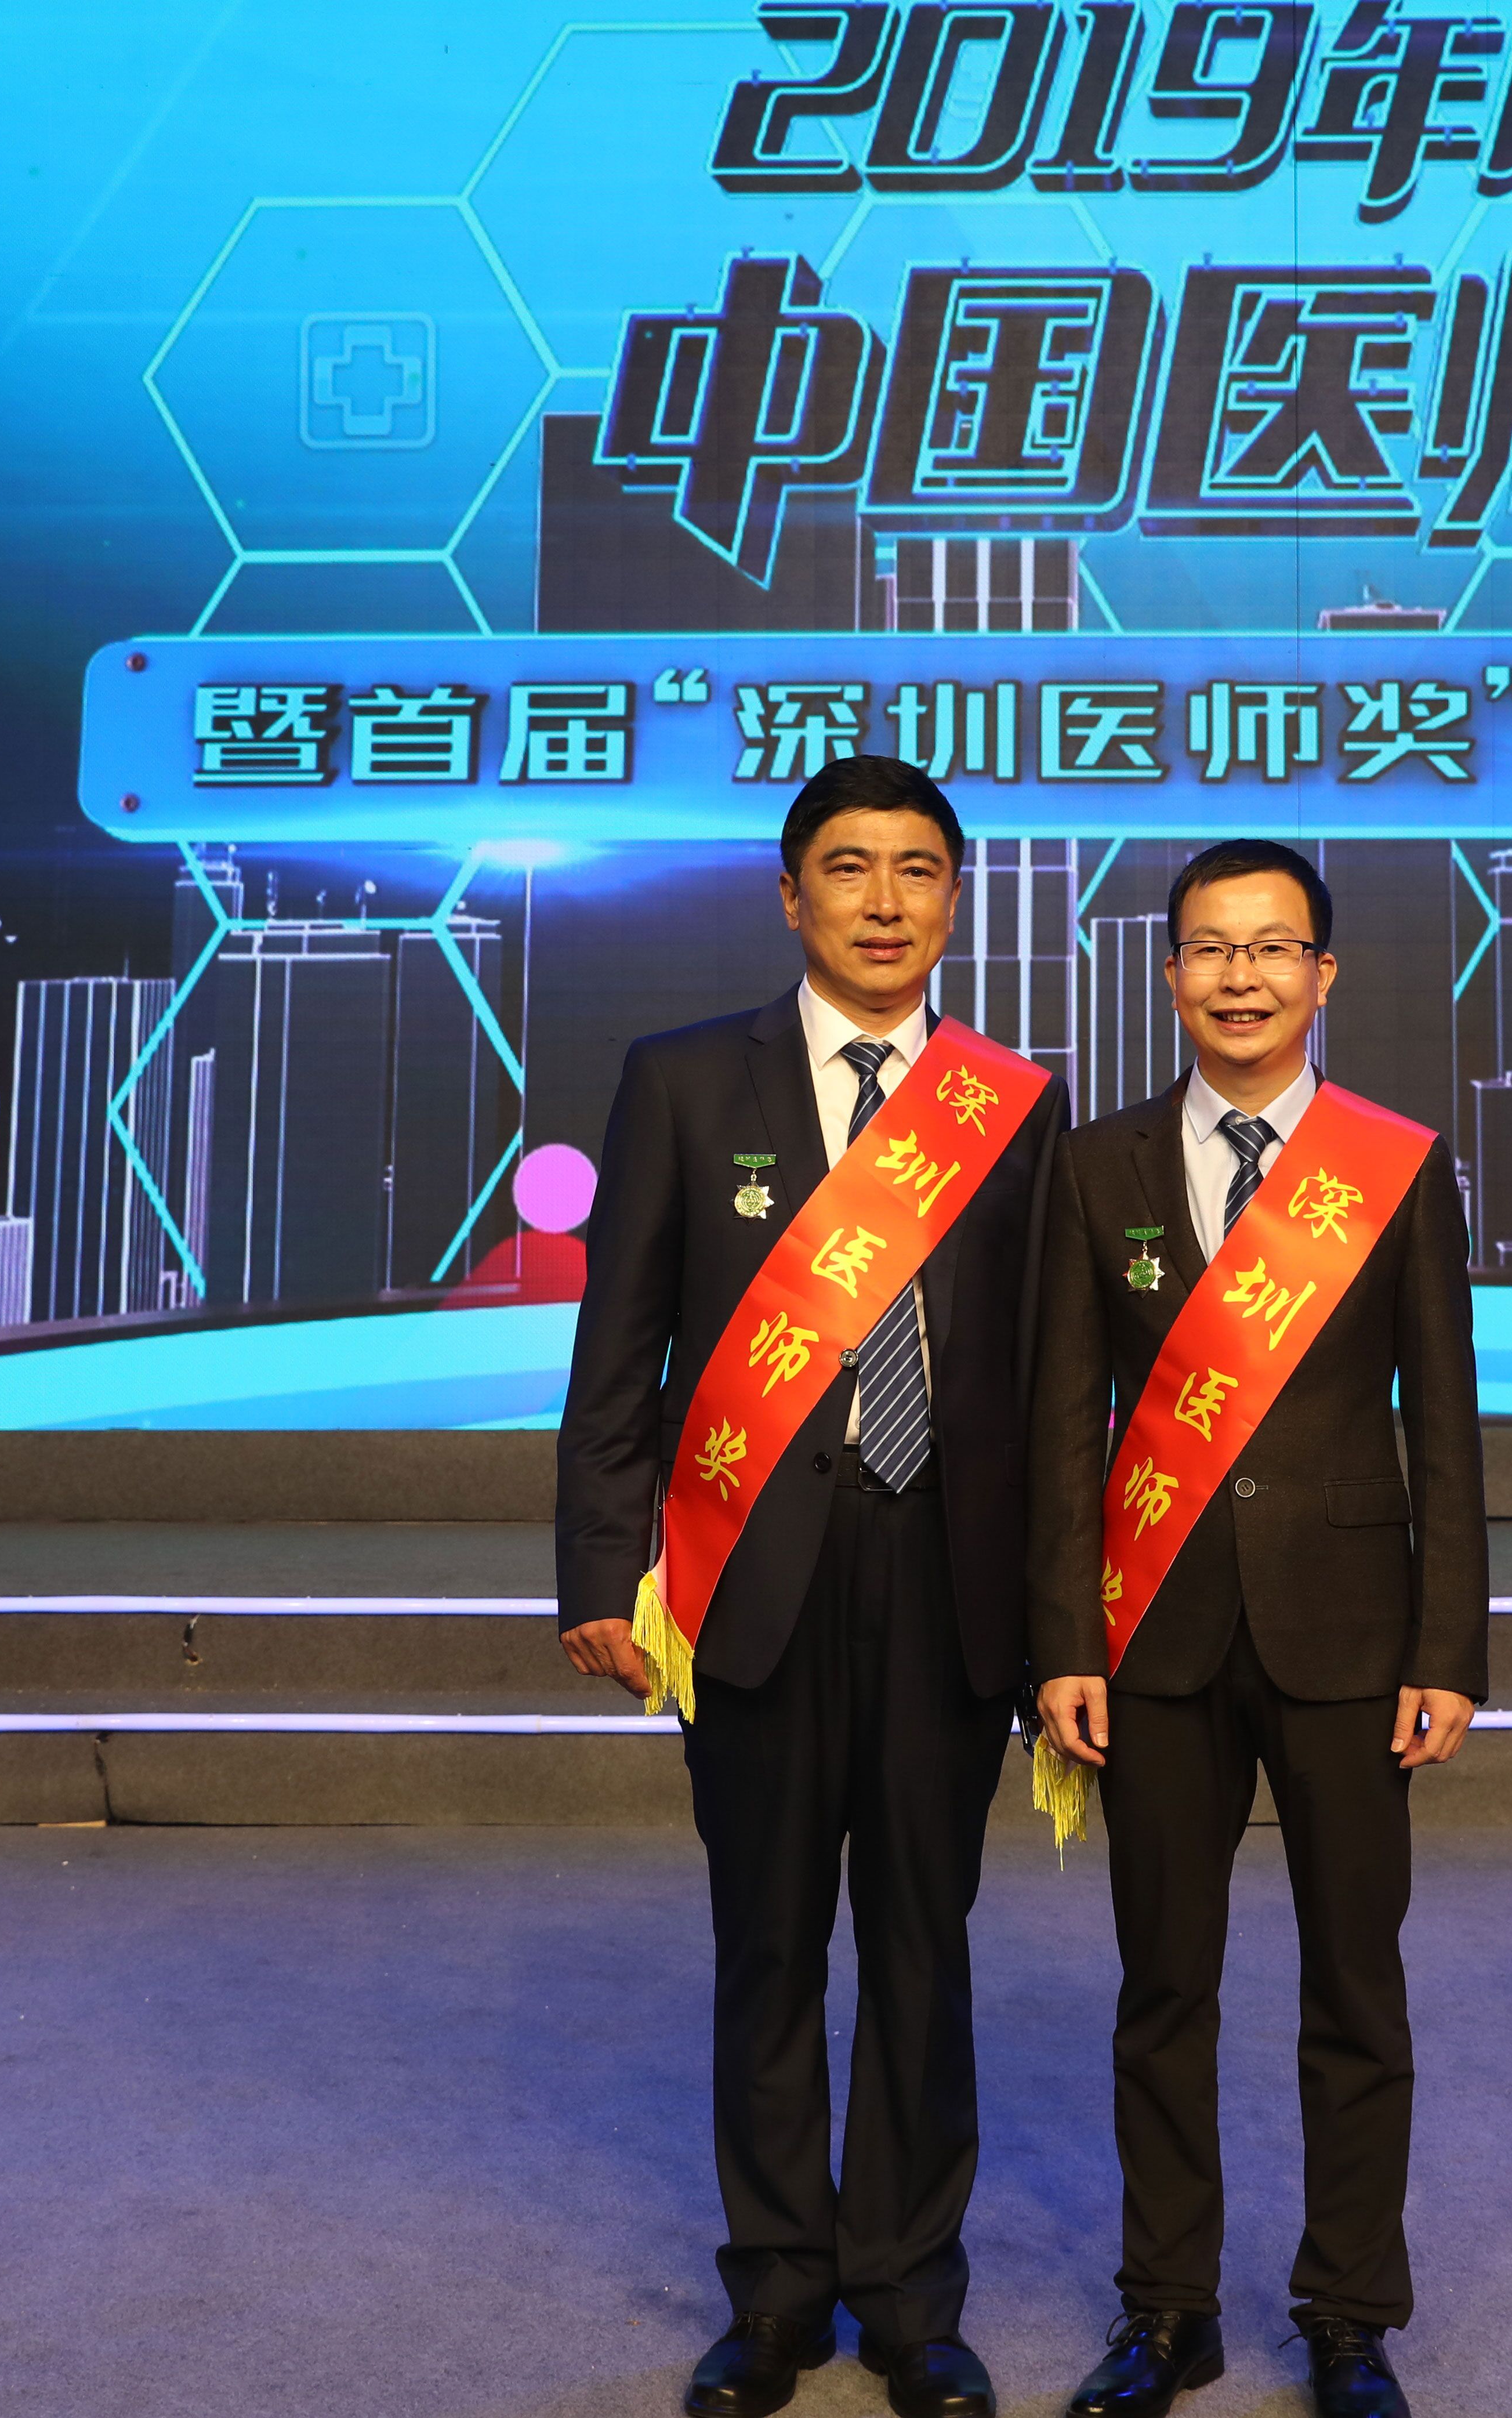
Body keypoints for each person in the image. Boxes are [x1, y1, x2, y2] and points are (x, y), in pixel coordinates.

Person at [557, 756, 1065, 2418]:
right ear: (791, 896)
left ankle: (912, 2300)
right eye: (849, 868)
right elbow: (620, 1348)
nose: (883, 902)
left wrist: (1061, 1617)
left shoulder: (1014, 1106)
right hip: (749, 1581)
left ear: (955, 900)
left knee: (924, 1946)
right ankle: (775, 2295)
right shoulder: (685, 1080)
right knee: (766, 1946)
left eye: (918, 870)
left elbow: (1052, 1382)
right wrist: (600, 1565)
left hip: (948, 1583)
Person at [1026, 838, 1488, 2418]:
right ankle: (1166, 2312)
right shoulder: (1093, 1166)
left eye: (1273, 948)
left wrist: (1447, 1648)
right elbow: (1061, 1426)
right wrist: (1062, 1637)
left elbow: (1445, 1426)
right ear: (1170, 975)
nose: (1242, 977)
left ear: (1323, 974)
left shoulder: (1394, 1166)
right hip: (1150, 1636)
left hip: (1352, 1637)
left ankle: (1349, 2318)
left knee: (1355, 1987)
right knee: (1162, 1988)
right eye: (1212, 949)